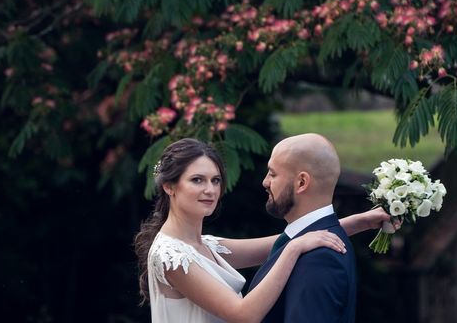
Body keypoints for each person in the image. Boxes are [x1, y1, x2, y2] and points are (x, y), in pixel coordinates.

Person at [134, 137, 394, 323]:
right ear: (169, 186)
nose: (210, 190)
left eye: (215, 180)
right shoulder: (170, 256)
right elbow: (244, 314)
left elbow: (282, 240)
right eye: (197, 180)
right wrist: (294, 250)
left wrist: (357, 222)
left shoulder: (207, 245)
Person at [247, 133, 360, 322]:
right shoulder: (305, 240)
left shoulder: (320, 257)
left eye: (273, 174)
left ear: (301, 183)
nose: (265, 182)